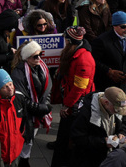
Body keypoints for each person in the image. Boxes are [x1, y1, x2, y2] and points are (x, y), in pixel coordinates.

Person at [51, 27, 95, 167]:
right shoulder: (75, 54)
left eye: (66, 40)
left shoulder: (83, 59)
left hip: (76, 105)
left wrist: (67, 105)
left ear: (70, 41)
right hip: (71, 100)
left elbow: (80, 88)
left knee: (68, 136)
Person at [69, 87, 126, 167]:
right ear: (106, 102)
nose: (118, 112)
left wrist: (122, 133)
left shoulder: (116, 108)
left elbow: (125, 123)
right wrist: (103, 142)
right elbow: (77, 138)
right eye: (116, 110)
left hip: (108, 157)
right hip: (88, 159)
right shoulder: (85, 112)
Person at [92, 11, 126, 93]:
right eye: (123, 27)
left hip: (124, 85)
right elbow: (94, 61)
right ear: (114, 26)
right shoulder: (102, 40)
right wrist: (109, 71)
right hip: (106, 85)